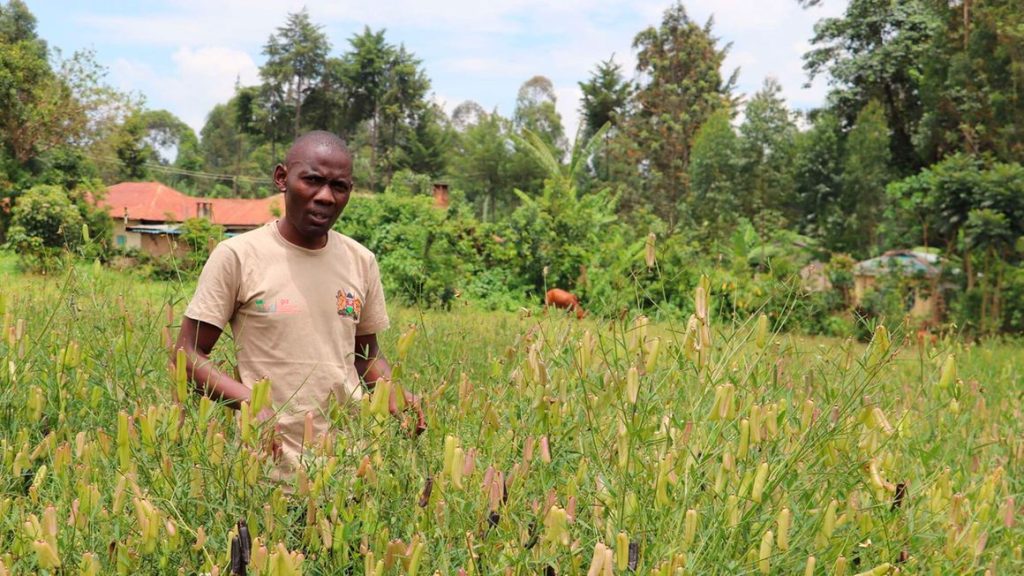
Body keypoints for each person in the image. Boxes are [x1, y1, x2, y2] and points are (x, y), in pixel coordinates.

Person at [174, 130, 424, 478]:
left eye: (339, 187)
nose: (325, 196)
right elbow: (187, 357)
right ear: (282, 178)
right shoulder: (238, 256)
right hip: (264, 471)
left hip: (347, 472)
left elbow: (366, 356)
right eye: (312, 180)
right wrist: (249, 402)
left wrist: (392, 392)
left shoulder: (361, 261)